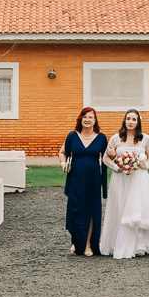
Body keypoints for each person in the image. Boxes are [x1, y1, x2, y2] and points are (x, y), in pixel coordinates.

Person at [100, 109, 149, 259]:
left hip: (139, 179)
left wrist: (145, 165)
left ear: (138, 122)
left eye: (134, 119)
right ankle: (119, 244)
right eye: (128, 118)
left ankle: (138, 245)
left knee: (137, 210)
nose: (131, 122)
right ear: (124, 120)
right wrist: (117, 167)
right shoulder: (116, 138)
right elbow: (106, 158)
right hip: (120, 178)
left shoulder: (145, 138)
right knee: (120, 208)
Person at [58, 107, 107, 256]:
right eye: (85, 117)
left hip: (93, 179)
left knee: (91, 210)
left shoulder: (101, 137)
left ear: (95, 120)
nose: (87, 120)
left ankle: (87, 244)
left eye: (90, 117)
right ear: (80, 119)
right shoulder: (72, 136)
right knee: (76, 209)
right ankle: (76, 240)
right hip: (76, 178)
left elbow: (106, 158)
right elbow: (62, 152)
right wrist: (63, 164)